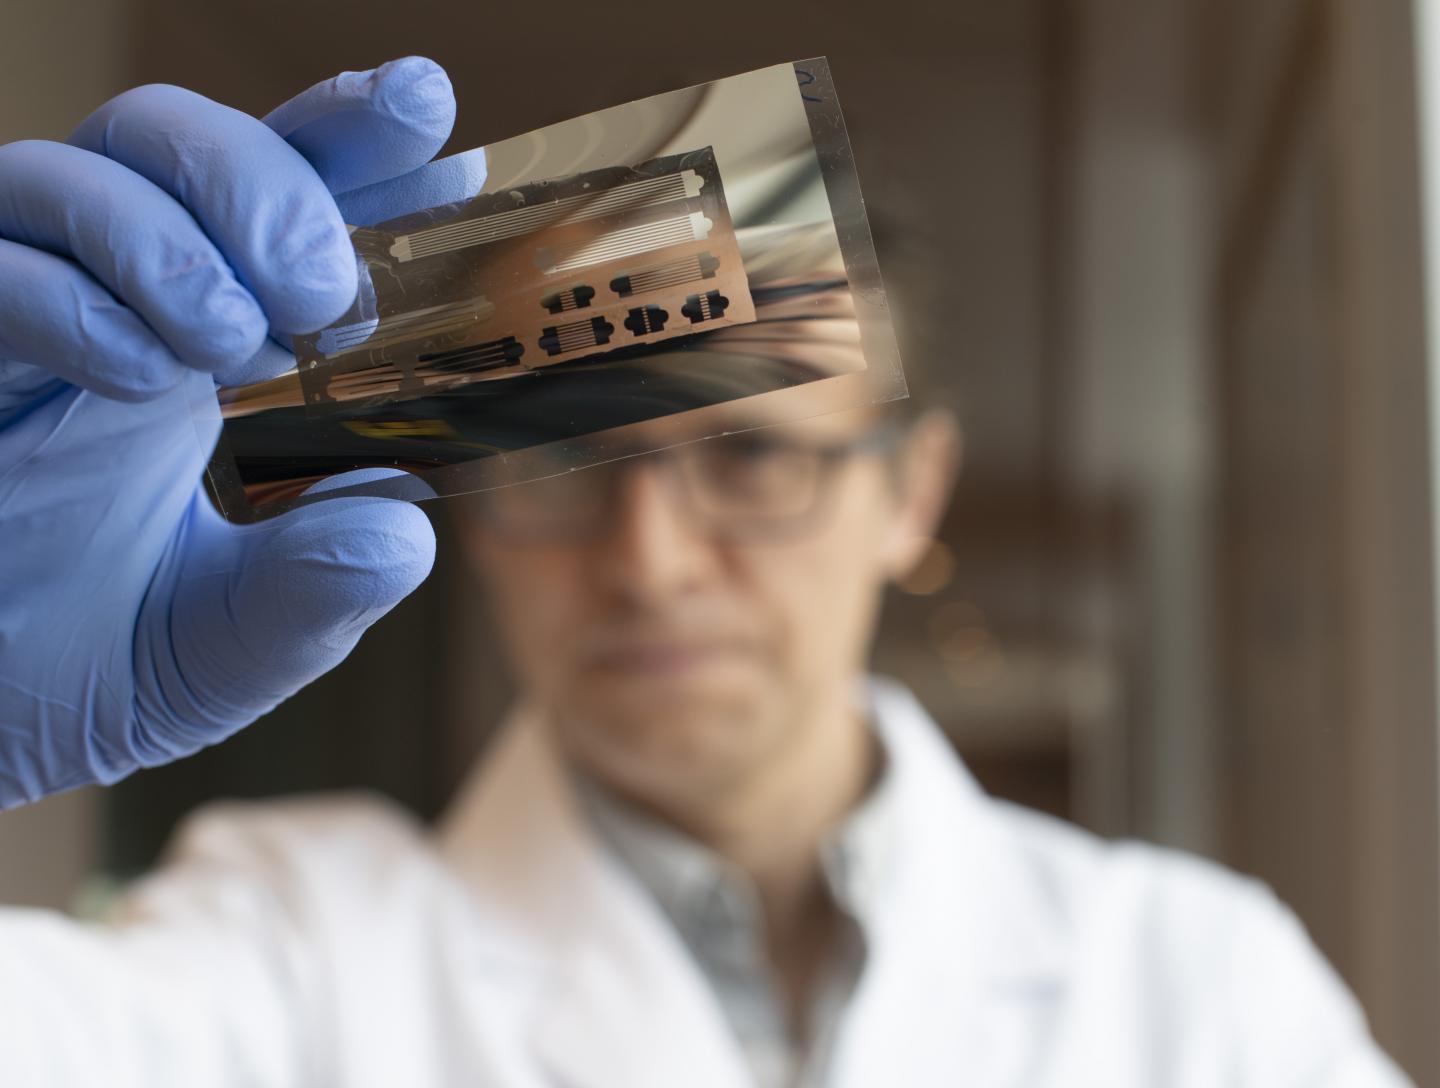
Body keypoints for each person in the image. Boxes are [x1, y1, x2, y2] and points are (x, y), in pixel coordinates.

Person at [0, 59, 1411, 1087]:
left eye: (752, 464)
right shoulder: (278, 943)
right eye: (581, 474)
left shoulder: (1199, 987)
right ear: (480, 510)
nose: (654, 563)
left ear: (911, 491)